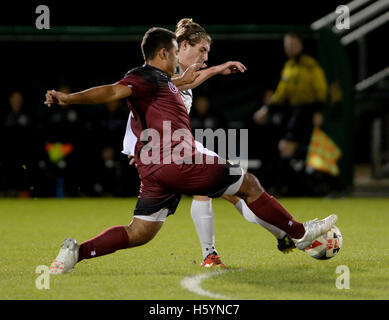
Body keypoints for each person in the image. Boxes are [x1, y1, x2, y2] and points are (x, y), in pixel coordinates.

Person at [45, 27, 337, 274]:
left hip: (154, 169)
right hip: (177, 159)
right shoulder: (144, 76)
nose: (176, 59)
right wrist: (68, 99)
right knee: (247, 183)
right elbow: (111, 91)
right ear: (163, 54)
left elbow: (186, 80)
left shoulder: (163, 81)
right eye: (173, 52)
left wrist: (217, 70)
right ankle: (298, 234)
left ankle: (75, 253)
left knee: (139, 233)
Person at [122, 19, 296, 269]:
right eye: (201, 50)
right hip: (169, 152)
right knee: (215, 188)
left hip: (180, 146)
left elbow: (187, 83)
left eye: (207, 52)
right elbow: (136, 113)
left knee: (239, 193)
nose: (205, 56)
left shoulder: (179, 76)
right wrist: (135, 146)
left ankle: (282, 235)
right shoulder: (158, 74)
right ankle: (211, 254)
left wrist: (216, 69)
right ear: (180, 47)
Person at [253, 33, 328, 195]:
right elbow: (281, 93)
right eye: (287, 44)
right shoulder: (289, 66)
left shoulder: (310, 65)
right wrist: (266, 109)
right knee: (285, 148)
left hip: (307, 111)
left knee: (290, 147)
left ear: (301, 45)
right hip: (293, 111)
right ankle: (286, 187)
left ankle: (292, 187)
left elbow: (320, 90)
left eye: (293, 44)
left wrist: (318, 111)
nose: (290, 48)